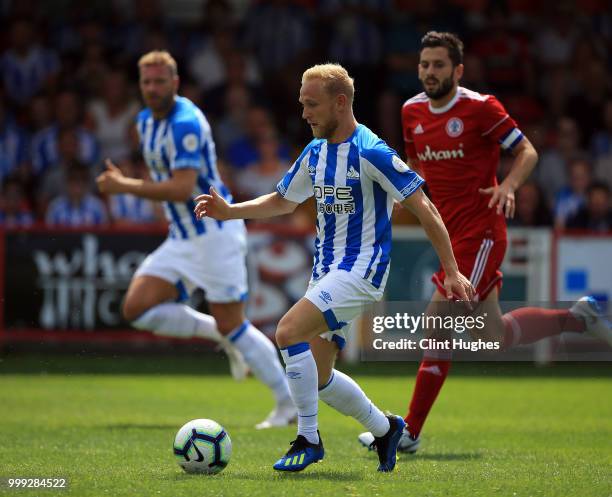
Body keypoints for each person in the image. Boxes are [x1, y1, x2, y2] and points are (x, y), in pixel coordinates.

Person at [194, 63, 474, 472]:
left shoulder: (373, 151)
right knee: (319, 378)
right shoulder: (315, 152)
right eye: (302, 104)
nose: (304, 113)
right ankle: (386, 428)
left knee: (287, 331)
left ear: (340, 103)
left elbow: (424, 206)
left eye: (312, 104)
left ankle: (308, 438)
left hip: (362, 271)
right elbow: (284, 200)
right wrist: (230, 210)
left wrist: (451, 270)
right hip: (326, 272)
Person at [357, 31, 612, 455]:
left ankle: (409, 432)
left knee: (436, 326)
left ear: (457, 70)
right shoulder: (410, 111)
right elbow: (416, 168)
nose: (429, 72)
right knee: (495, 336)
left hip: (482, 234)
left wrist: (508, 185)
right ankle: (578, 317)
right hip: (449, 234)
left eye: (439, 65)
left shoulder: (480, 108)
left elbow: (527, 150)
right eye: (424, 65)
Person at [95, 50, 296, 430]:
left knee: (234, 323)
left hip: (215, 234)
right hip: (182, 237)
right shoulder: (144, 121)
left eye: (159, 82)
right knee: (135, 308)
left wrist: (124, 186)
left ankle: (287, 405)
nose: (152, 89)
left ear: (175, 83)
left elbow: (182, 188)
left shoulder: (185, 122)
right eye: (146, 82)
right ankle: (219, 336)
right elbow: (166, 184)